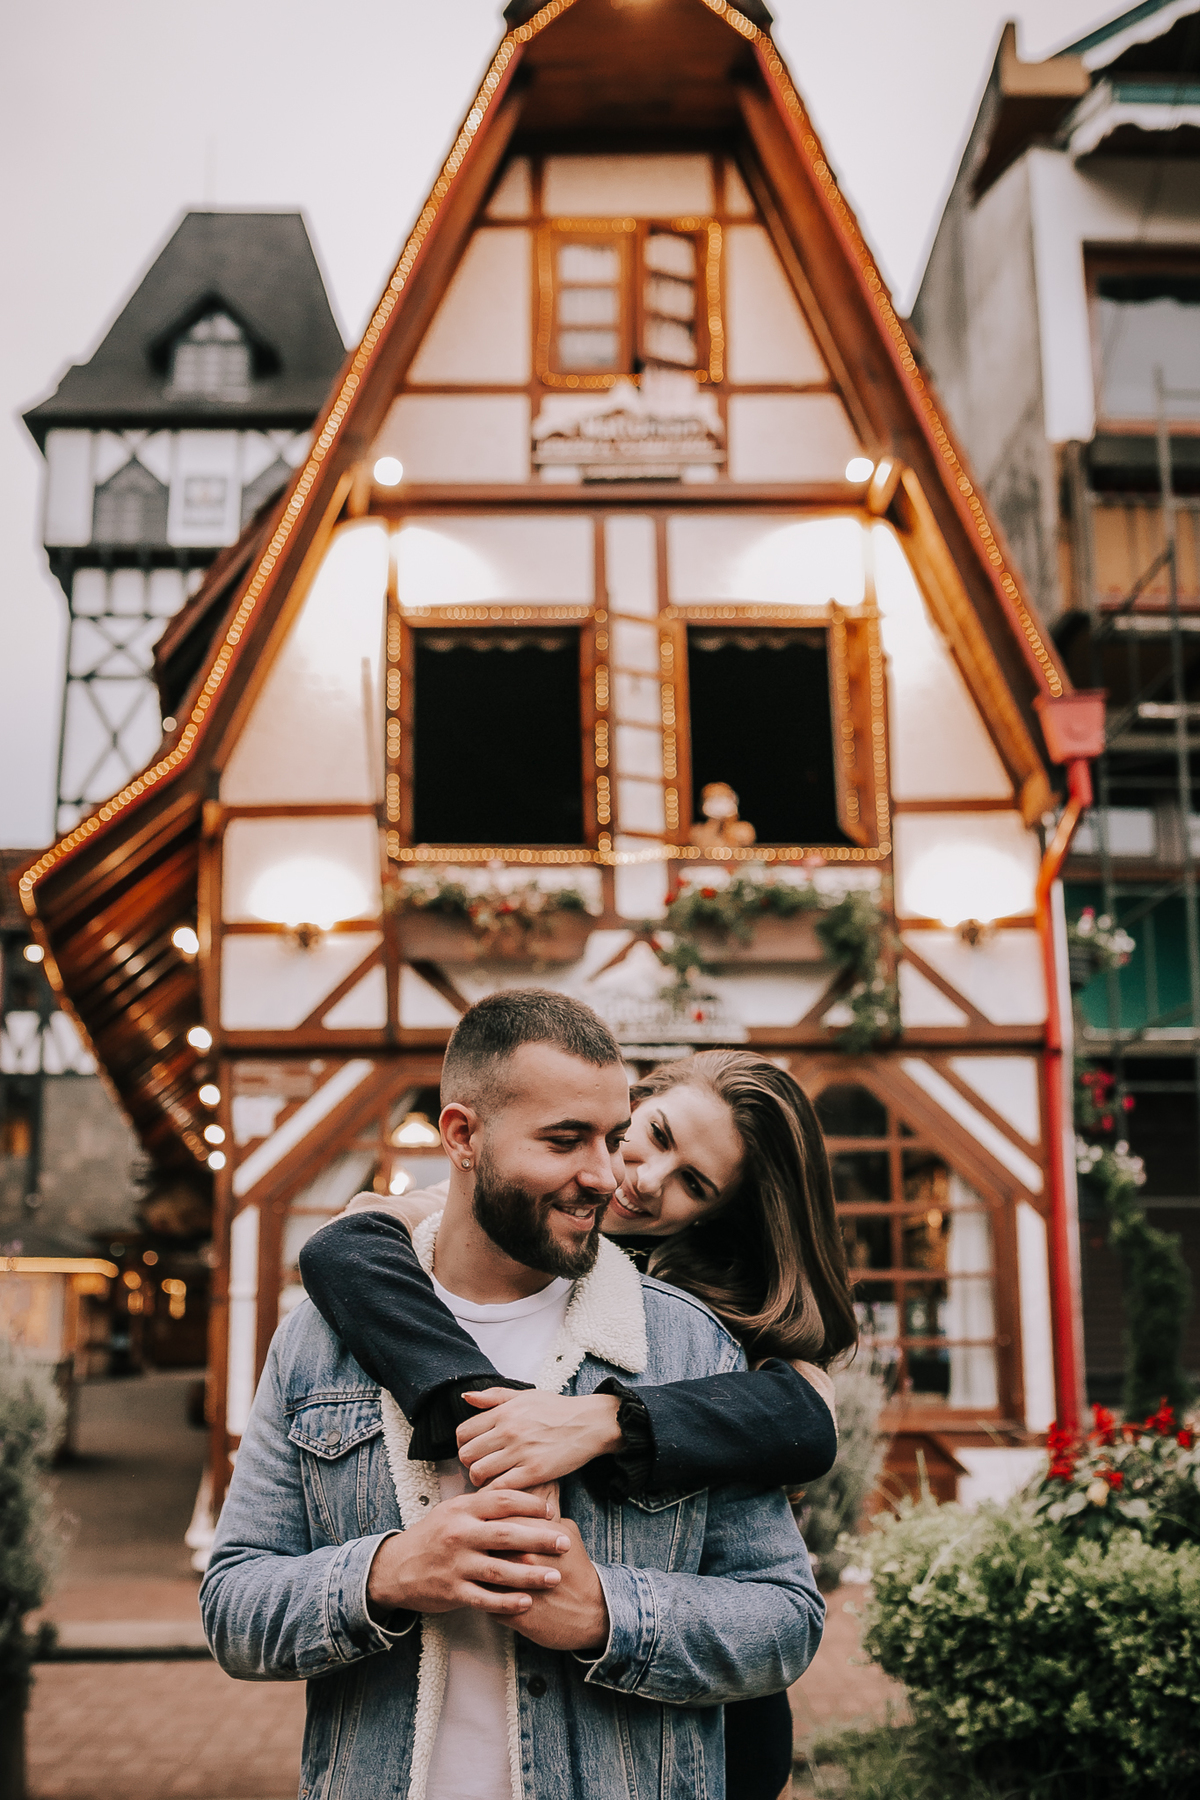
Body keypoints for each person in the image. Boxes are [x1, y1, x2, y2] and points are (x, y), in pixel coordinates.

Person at [201, 991, 826, 1800]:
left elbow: (785, 1605)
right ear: (461, 1136)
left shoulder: (696, 1342)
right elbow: (234, 1605)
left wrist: (607, 1610)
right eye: (576, 1139)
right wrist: (388, 1571)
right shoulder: (326, 1333)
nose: (620, 1177)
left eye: (689, 1182)